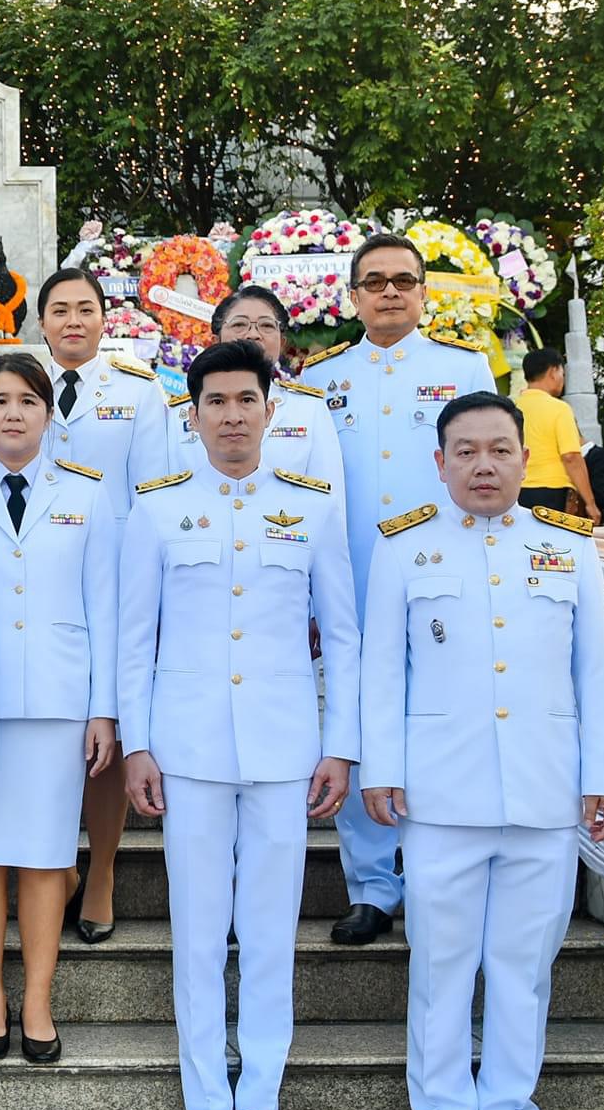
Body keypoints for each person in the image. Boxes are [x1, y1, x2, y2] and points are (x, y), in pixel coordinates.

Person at [359, 390, 604, 1110]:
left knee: (523, 967)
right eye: (466, 451)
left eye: (500, 449)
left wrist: (603, 775)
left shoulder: (568, 547)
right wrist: (381, 766)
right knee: (441, 964)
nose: (484, 464)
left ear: (523, 458)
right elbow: (380, 670)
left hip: (544, 793)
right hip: (440, 794)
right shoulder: (404, 549)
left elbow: (595, 671)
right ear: (439, 463)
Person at [119, 341, 359, 1110]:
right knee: (195, 934)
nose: (229, 415)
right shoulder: (155, 507)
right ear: (193, 415)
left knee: (267, 935)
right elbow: (134, 637)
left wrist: (341, 744)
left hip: (284, 745)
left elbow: (344, 636)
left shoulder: (312, 505)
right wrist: (138, 743)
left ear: (269, 409)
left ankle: (260, 1105)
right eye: (213, 402)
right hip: (186, 748)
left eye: (243, 400)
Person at [301, 231, 495, 948]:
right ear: (352, 296)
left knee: (442, 720)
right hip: (349, 581)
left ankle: (440, 875)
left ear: (423, 292)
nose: (389, 292)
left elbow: (487, 474)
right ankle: (373, 887)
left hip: (439, 578)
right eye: (374, 281)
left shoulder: (465, 366)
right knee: (355, 722)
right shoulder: (319, 380)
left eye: (403, 281)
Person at [0, 354, 117, 1063]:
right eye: (0, 401)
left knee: (46, 860)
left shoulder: (89, 496)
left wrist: (104, 710)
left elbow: (105, 606)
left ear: (49, 415)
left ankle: (38, 1000)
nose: (13, 413)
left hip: (56, 703)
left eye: (28, 401)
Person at [31, 267, 163, 945]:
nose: (73, 320)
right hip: (39, 579)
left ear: (106, 318)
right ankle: (55, 865)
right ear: (41, 322)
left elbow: (153, 497)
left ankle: (103, 868)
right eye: (60, 310)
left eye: (86, 308)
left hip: (113, 583)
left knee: (104, 724)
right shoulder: (18, 389)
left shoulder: (138, 394)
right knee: (52, 729)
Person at [174, 286, 343, 486]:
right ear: (215, 340)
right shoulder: (178, 413)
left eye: (266, 325)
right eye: (239, 324)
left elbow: (329, 498)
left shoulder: (309, 409)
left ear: (283, 342)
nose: (253, 334)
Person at [516, 348, 598, 521]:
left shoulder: (511, 408)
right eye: (562, 372)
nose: (563, 379)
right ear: (553, 372)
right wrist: (590, 502)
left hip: (515, 491)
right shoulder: (559, 408)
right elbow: (571, 457)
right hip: (552, 492)